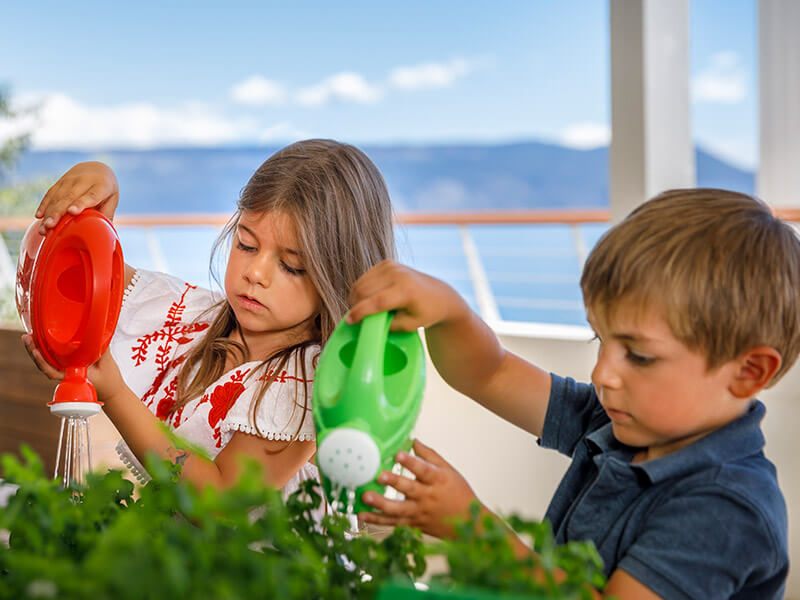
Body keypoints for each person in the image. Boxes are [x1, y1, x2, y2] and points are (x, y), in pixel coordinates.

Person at [346, 188, 800, 599]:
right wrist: (448, 309)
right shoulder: (619, 421)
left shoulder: (724, 507)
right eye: (600, 341)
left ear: (748, 371)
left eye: (639, 356)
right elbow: (490, 373)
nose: (603, 373)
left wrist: (474, 532)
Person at [23, 139, 396, 518]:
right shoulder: (197, 318)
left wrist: (115, 395)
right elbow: (99, 279)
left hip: (260, 571)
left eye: (291, 266)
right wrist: (99, 196)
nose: (255, 273)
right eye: (247, 245)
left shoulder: (306, 383)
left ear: (341, 278)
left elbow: (217, 503)